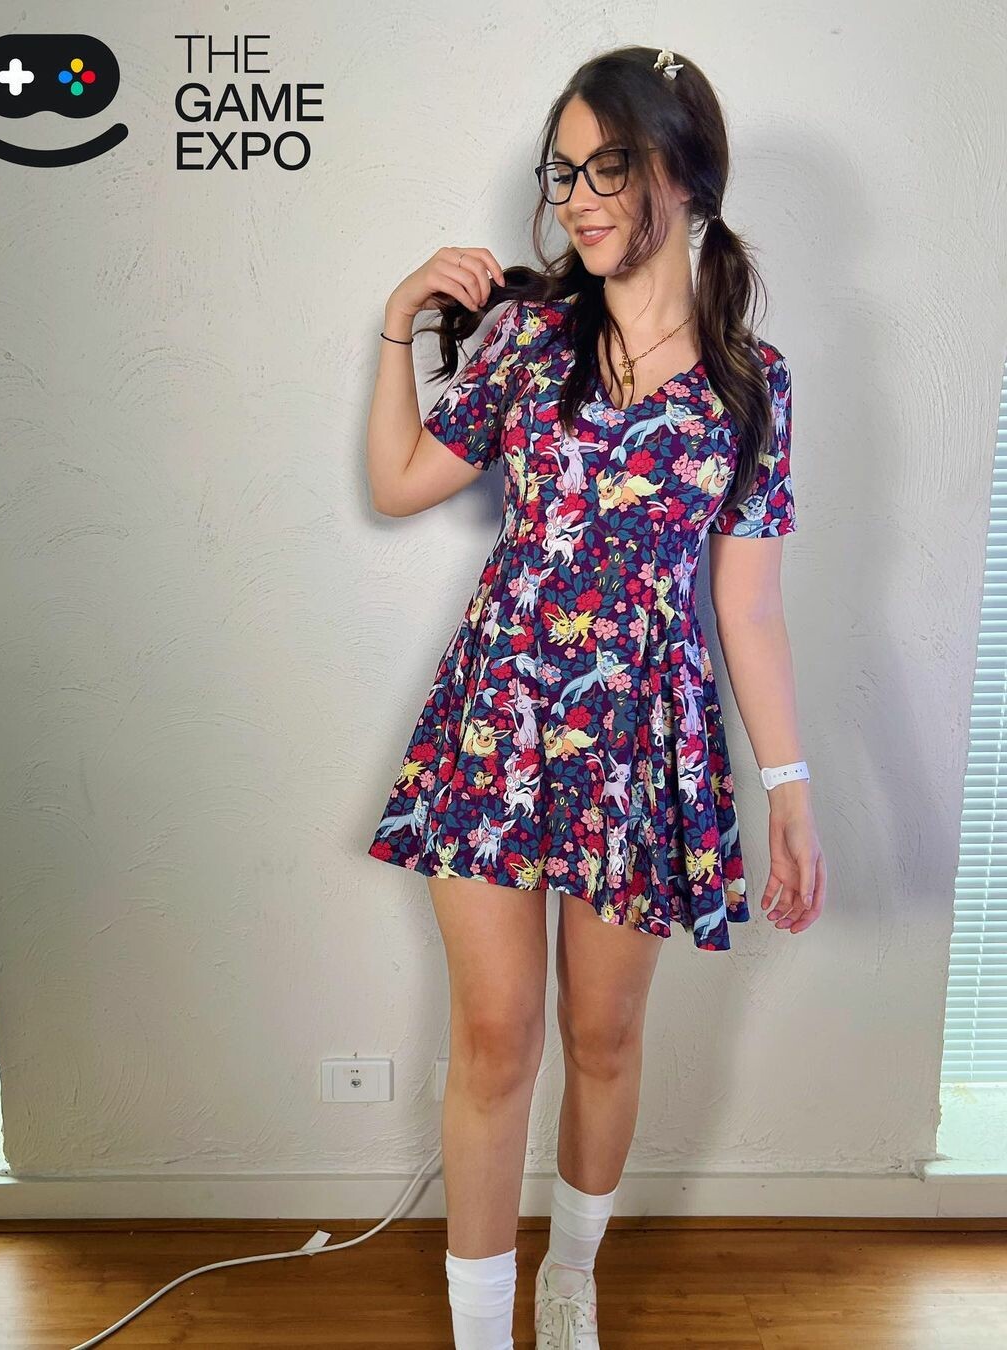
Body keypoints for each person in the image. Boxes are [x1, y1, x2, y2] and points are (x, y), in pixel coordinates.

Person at [364, 43, 827, 1350]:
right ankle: (480, 1329)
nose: (576, 197)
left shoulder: (752, 384)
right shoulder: (529, 339)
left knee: (603, 1036)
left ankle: (571, 1274)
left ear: (681, 174)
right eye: (562, 171)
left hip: (642, 740)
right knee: (494, 1034)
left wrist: (790, 791)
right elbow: (399, 481)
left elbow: (749, 608)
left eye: (606, 166)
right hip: (497, 720)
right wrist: (401, 317)